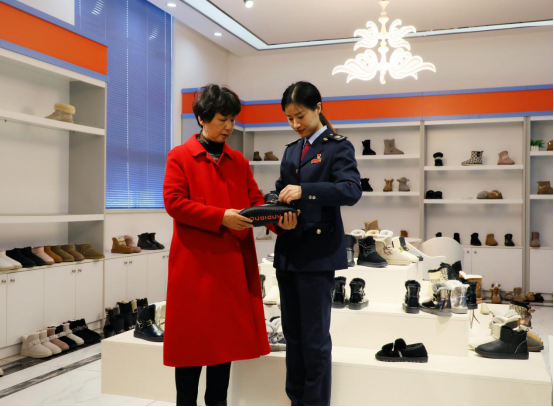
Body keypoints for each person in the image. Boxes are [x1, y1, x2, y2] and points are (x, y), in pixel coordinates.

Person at [163, 84, 298, 407]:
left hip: (231, 268)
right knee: (190, 351)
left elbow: (255, 203)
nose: (229, 127)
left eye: (232, 120)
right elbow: (174, 202)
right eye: (222, 119)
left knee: (223, 350)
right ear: (201, 118)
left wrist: (278, 222)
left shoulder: (238, 161)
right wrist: (220, 217)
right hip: (194, 269)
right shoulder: (180, 156)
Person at [274, 81, 362, 406]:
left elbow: (351, 190)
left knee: (314, 340)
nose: (295, 124)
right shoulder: (291, 150)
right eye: (289, 118)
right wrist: (273, 212)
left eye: (300, 116)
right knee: (293, 338)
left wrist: (306, 191)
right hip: (288, 254)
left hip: (317, 257)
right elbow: (280, 189)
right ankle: (295, 400)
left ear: (319, 108)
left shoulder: (338, 147)